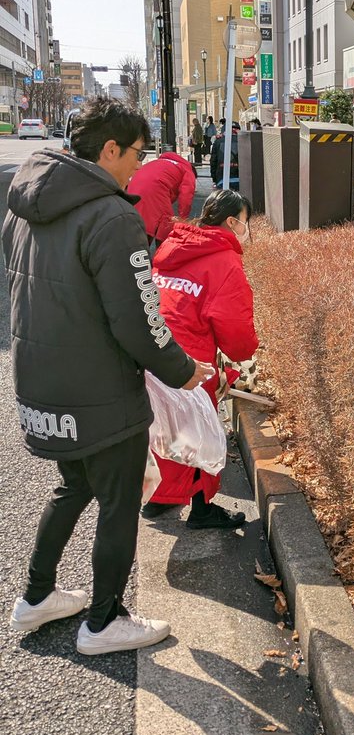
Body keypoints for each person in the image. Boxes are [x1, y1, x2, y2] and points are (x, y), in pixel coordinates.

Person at [3, 97, 213, 655]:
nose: (138, 170)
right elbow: (140, 319)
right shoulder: (112, 215)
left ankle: (36, 596)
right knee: (119, 502)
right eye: (136, 156)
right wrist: (183, 371)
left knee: (72, 485)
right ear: (109, 150)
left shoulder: (23, 205)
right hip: (100, 392)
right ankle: (103, 622)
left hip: (40, 379)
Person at [142, 189, 259, 528]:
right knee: (197, 433)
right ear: (231, 222)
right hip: (190, 363)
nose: (246, 230)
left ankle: (158, 498)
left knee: (160, 428)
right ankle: (202, 510)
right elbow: (236, 330)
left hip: (152, 351)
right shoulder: (224, 261)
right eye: (245, 223)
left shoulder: (171, 247)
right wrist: (245, 353)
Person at [128, 150, 196, 248]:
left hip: (134, 187)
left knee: (143, 225)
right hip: (155, 191)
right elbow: (186, 196)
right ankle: (163, 258)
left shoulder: (161, 162)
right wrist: (183, 218)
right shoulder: (187, 170)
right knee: (164, 227)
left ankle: (138, 257)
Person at [210, 120, 240, 189]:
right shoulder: (244, 141)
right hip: (241, 179)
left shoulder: (218, 142)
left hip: (222, 179)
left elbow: (213, 162)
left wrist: (214, 179)